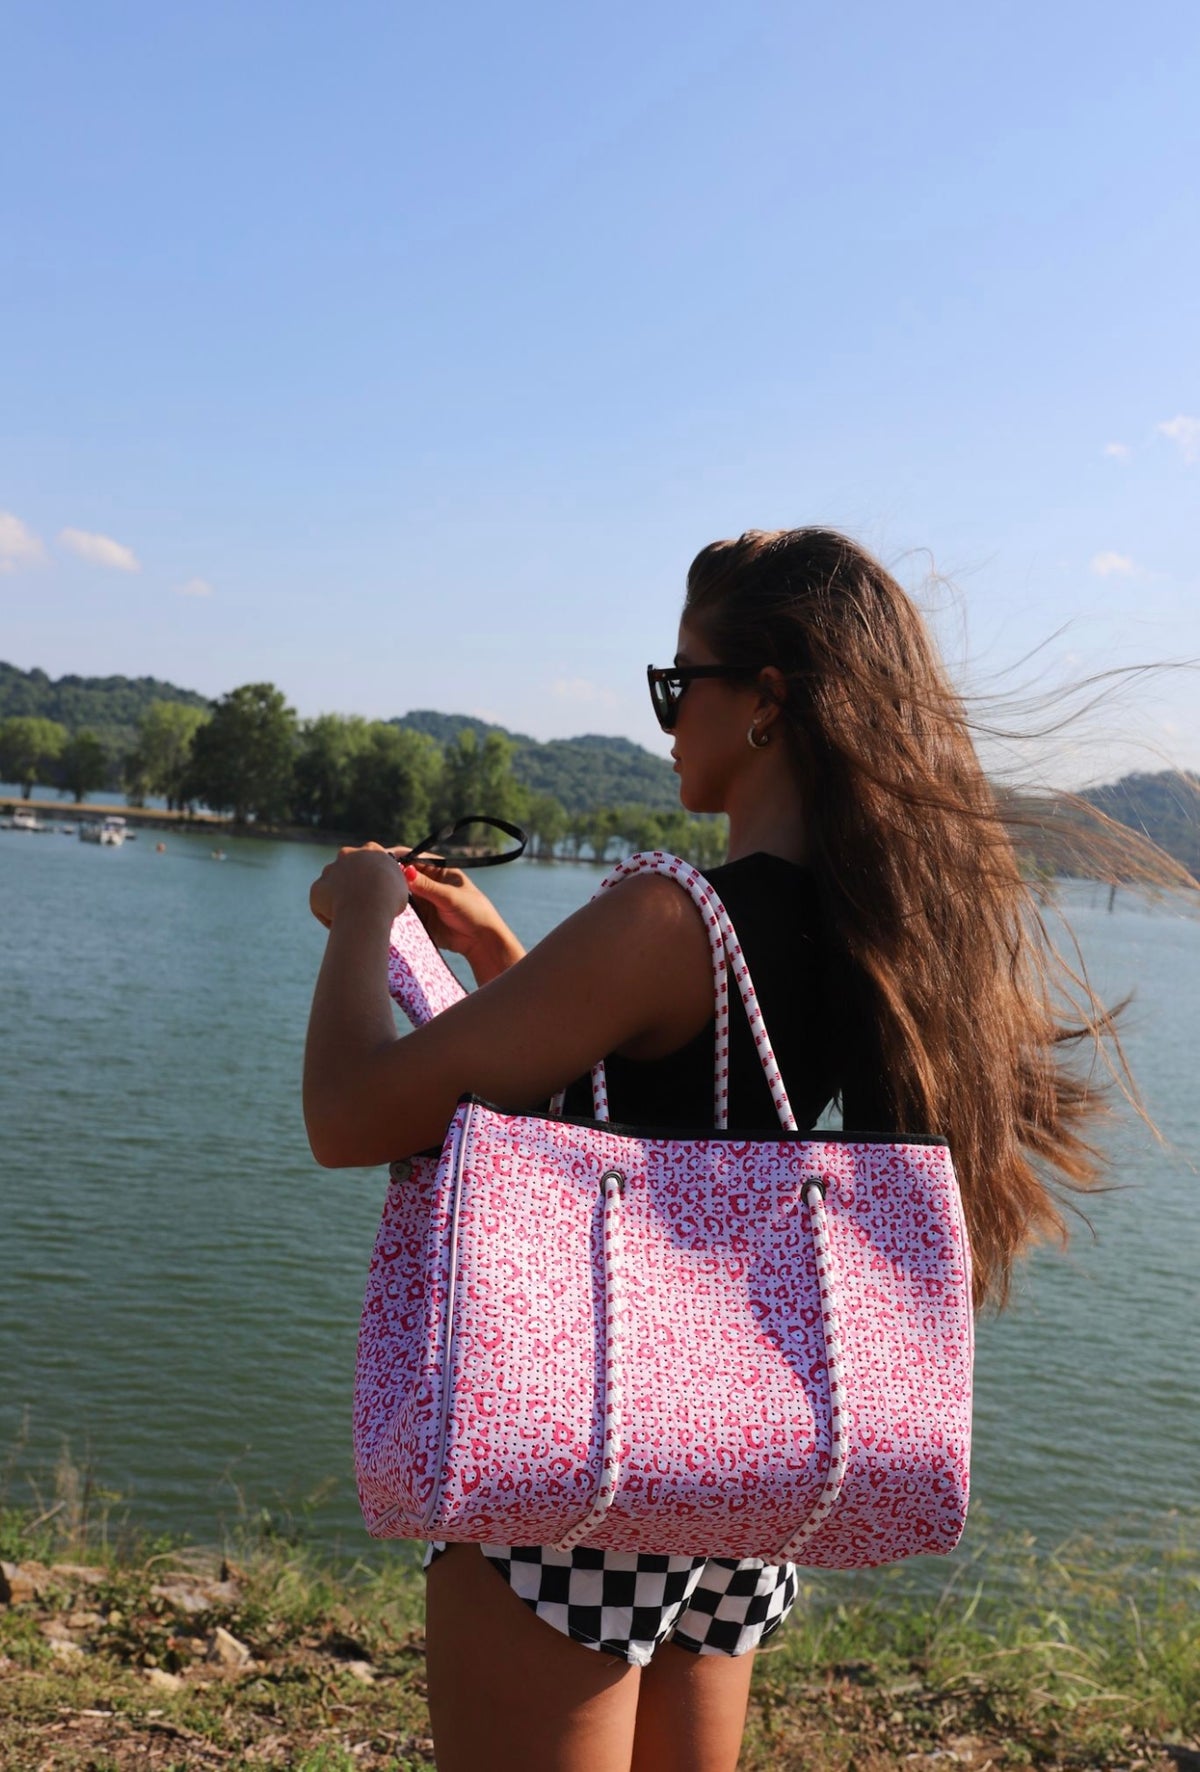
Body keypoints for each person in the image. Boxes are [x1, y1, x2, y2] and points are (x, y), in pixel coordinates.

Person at [304, 527, 1167, 1772]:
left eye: (677, 681)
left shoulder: (668, 917)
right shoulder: (885, 930)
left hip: (584, 1472)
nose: (664, 719)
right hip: (733, 1482)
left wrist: (362, 916)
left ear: (765, 699)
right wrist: (501, 955)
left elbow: (348, 1113)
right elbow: (674, 1122)